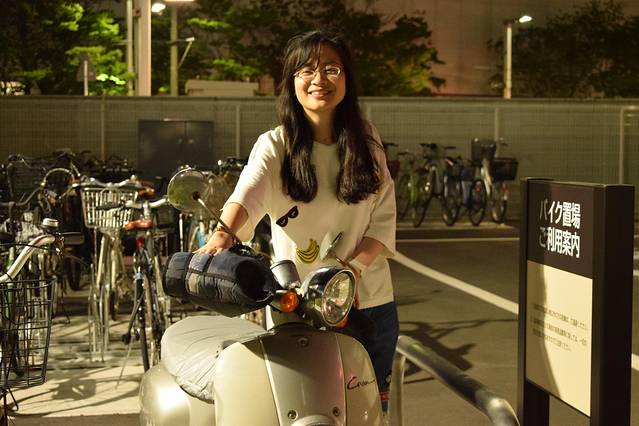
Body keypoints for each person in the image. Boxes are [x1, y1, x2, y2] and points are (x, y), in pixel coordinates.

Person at [196, 29, 399, 412]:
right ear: (291, 82)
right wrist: (221, 236)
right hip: (297, 307)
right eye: (307, 70)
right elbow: (246, 196)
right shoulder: (276, 145)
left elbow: (382, 217)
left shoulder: (367, 141)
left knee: (369, 413)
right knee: (304, 411)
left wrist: (353, 270)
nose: (319, 79)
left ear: (347, 79)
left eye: (331, 69)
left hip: (369, 302)